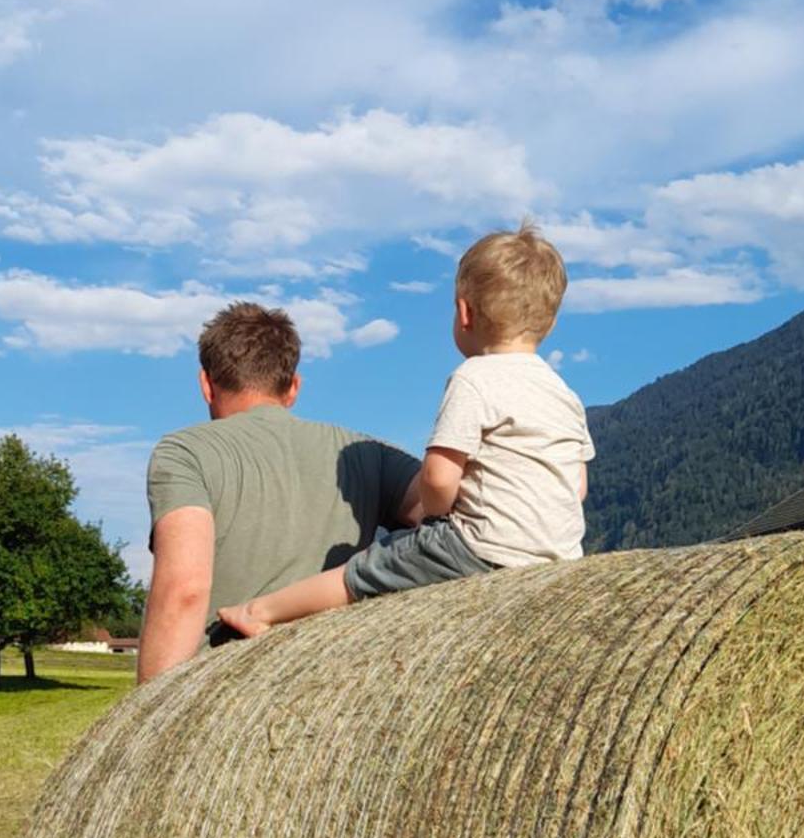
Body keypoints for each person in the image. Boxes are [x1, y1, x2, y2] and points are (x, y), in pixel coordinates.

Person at [218, 223, 591, 638]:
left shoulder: (474, 378)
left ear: (463, 313)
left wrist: (437, 513)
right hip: (559, 558)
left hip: (481, 549)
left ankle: (259, 611)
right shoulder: (565, 394)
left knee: (364, 569)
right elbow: (576, 487)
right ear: (551, 324)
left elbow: (437, 476)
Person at [136, 301, 422, 681]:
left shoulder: (184, 452)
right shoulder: (370, 455)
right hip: (335, 689)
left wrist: (145, 720)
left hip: (219, 697)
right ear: (294, 387)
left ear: (206, 384)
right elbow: (457, 514)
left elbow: (184, 590)